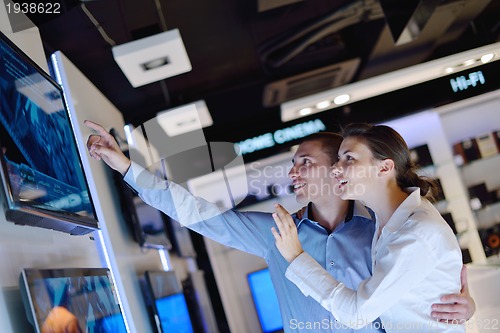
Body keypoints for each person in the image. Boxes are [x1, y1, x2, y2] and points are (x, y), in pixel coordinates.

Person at [84, 120, 474, 333]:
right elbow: (195, 212)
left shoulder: (381, 227)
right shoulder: (277, 232)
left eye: (306, 162)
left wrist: (466, 308)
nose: (293, 172)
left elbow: (420, 287)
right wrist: (127, 168)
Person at [272, 123, 468, 332]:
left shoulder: (416, 233)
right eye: (338, 159)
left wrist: (296, 256)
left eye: (349, 158)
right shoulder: (387, 220)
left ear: (384, 168)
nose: (336, 168)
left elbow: (356, 314)